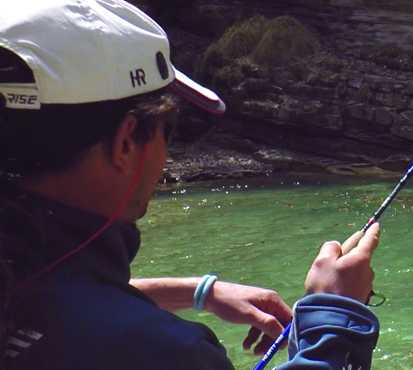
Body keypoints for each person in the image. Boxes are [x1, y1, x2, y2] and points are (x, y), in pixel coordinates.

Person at [0, 1, 381, 369]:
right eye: (170, 132)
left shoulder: (19, 281)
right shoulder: (162, 354)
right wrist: (334, 318)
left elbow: (55, 301)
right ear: (126, 143)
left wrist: (199, 292)